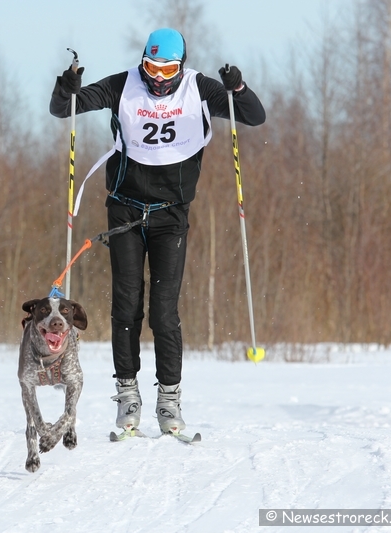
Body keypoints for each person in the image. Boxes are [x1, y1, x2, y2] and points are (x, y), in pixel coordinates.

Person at [49, 28, 265, 435]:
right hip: (125, 211)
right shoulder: (122, 85)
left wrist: (237, 87)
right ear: (143, 62)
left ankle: (169, 400)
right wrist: (67, 86)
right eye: (151, 67)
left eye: (167, 68)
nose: (158, 77)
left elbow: (253, 114)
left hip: (171, 216)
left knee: (165, 312)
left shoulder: (199, 88)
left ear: (180, 66)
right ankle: (127, 394)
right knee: (126, 305)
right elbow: (65, 109)